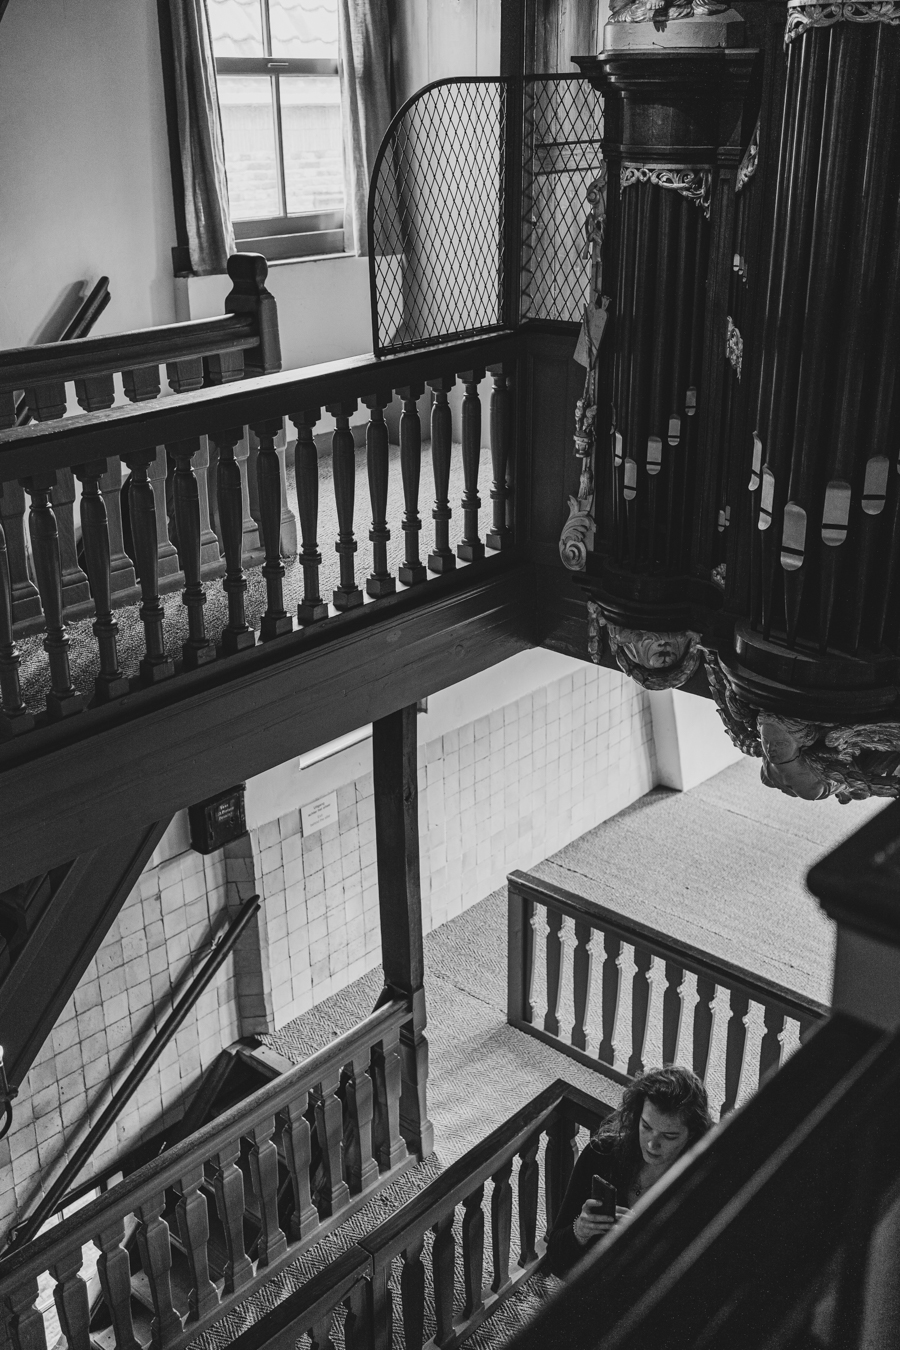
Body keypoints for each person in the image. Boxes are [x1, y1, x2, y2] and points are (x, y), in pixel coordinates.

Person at [545, 1066, 713, 1276]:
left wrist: (645, 1245)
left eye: (669, 1136)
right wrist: (579, 1232)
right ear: (636, 1117)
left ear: (691, 1135)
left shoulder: (699, 1187)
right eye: (646, 1126)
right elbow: (556, 1258)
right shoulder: (602, 1154)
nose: (652, 1144)